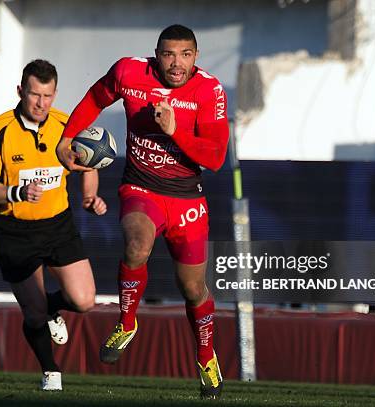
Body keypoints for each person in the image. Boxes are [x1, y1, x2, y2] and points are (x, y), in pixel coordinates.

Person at [56, 24, 229, 399]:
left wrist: (174, 131)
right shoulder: (130, 72)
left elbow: (215, 157)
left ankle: (204, 356)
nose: (176, 63)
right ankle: (127, 322)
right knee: (136, 244)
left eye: (185, 55)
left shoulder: (210, 91)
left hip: (187, 200)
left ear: (196, 57)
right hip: (141, 187)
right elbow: (96, 97)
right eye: (168, 54)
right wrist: (68, 136)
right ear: (156, 53)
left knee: (193, 288)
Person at [0, 59, 106, 391]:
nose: (41, 103)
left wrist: (90, 198)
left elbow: (89, 164)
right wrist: (15, 192)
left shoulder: (66, 124)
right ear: (21, 91)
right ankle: (51, 372)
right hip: (13, 230)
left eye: (48, 96)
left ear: (55, 94)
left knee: (84, 301)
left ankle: (52, 307)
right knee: (32, 315)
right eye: (34, 95)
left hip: (57, 226)